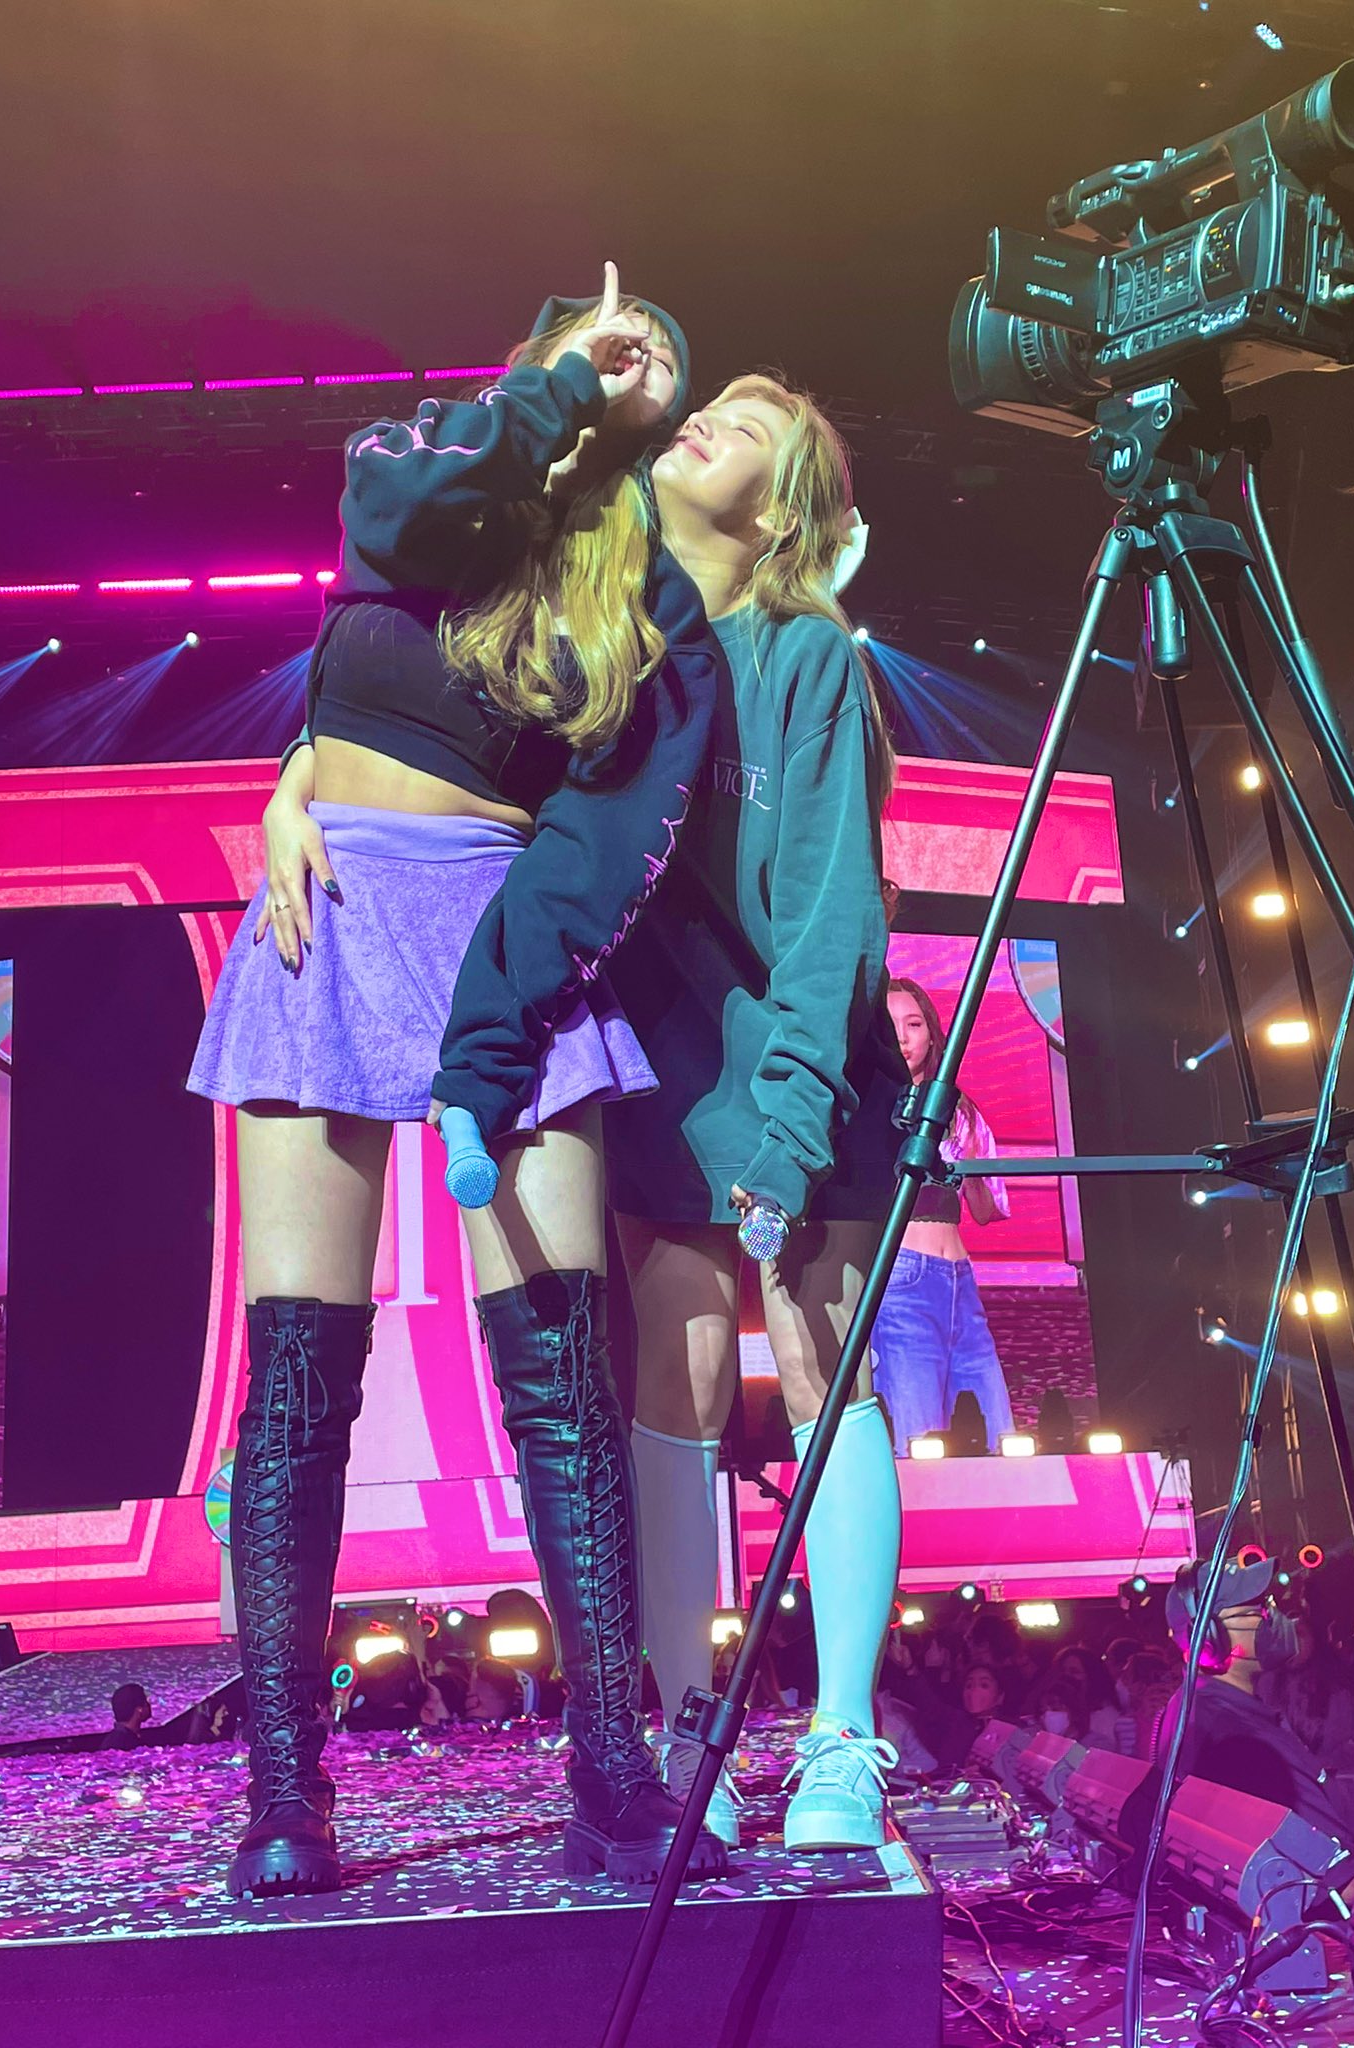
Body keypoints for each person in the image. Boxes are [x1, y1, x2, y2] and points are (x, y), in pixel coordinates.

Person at [192, 265, 728, 1897]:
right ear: (540, 362)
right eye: (596, 346)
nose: (627, 363)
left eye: (652, 362)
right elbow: (412, 528)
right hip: (332, 910)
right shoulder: (418, 458)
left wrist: (495, 1028)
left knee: (560, 1374)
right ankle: (286, 1790)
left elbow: (607, 841)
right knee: (298, 1382)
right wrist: (558, 392)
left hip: (511, 942)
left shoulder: (649, 594)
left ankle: (614, 1771)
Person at [544, 375, 908, 1853]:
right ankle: (689, 1728)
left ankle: (842, 1735)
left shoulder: (808, 653)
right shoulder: (613, 641)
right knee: (675, 1372)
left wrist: (796, 1107)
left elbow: (832, 912)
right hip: (667, 1064)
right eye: (713, 407)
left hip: (806, 1057)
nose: (707, 420)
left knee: (825, 1362)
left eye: (750, 426)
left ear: (782, 511)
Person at [867, 978, 1014, 1454]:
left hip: (959, 1278)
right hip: (902, 1276)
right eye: (892, 1025)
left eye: (914, 1024)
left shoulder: (960, 1111)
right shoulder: (869, 1106)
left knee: (1000, 1433)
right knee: (919, 1436)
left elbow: (986, 1211)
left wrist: (968, 1162)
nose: (904, 1036)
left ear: (932, 1034)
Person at [1159, 1558, 1354, 1884]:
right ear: (1210, 1637)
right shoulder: (1246, 1736)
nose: (1274, 1617)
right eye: (1257, 1609)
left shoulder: (1192, 1707)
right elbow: (1343, 1878)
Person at [103, 1682, 152, 1750]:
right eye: (146, 1702)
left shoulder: (114, 1739)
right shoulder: (123, 1745)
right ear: (139, 1710)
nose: (149, 1705)